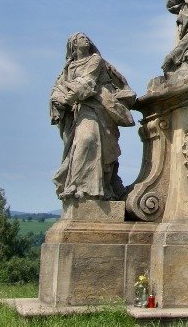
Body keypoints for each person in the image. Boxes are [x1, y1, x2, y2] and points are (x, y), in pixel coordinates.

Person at [50, 33, 136, 201]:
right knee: (82, 142)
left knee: (88, 140)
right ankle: (77, 187)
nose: (86, 39)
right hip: (80, 109)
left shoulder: (94, 60)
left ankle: (86, 188)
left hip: (100, 106)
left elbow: (87, 83)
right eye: (81, 38)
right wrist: (59, 99)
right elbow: (57, 87)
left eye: (86, 37)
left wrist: (70, 96)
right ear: (73, 45)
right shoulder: (69, 67)